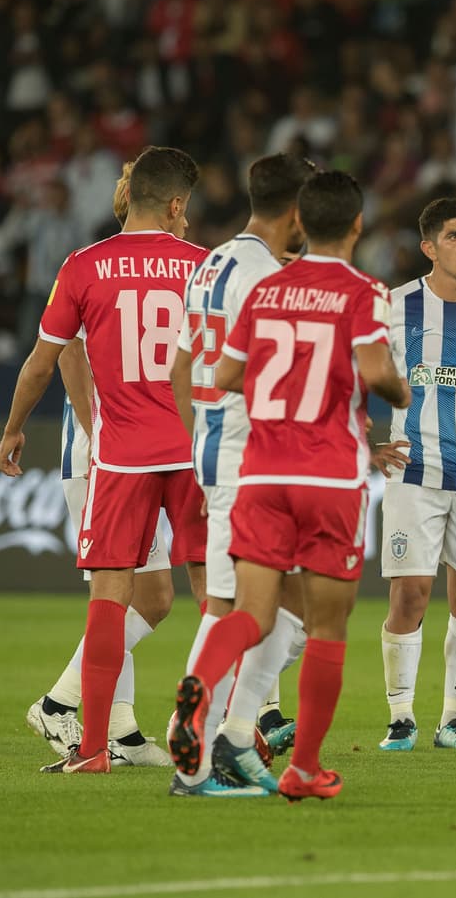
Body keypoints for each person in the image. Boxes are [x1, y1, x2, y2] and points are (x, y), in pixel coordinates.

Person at [169, 170, 410, 801]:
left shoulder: (266, 288)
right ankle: (302, 766)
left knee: (250, 610)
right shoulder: (366, 291)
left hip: (260, 470)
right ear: (357, 225)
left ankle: (215, 713)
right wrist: (398, 390)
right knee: (326, 626)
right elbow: (375, 371)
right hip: (329, 473)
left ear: (304, 220)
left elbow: (220, 373)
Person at [0, 145, 209, 774]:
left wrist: (13, 430)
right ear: (176, 206)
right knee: (213, 594)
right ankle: (213, 729)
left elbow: (44, 360)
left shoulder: (83, 266)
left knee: (109, 598)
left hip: (120, 455)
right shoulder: (204, 266)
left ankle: (91, 750)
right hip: (192, 451)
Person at [166, 153, 317, 797]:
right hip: (248, 459)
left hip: (214, 448)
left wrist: (196, 436)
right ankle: (194, 751)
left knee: (294, 609)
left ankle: (231, 736)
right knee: (235, 606)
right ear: (297, 211)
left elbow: (180, 365)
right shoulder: (264, 278)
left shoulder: (212, 262)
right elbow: (269, 379)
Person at [26, 159, 174, 768]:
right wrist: (104, 436)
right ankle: (61, 705)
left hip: (136, 447)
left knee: (147, 594)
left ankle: (119, 727)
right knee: (127, 592)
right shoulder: (96, 268)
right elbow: (65, 359)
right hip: (104, 450)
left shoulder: (118, 266)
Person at [372, 198, 456, 753]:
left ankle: (453, 719)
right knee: (410, 592)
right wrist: (366, 440)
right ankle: (401, 717)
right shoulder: (393, 305)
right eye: (455, 236)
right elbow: (346, 369)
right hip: (414, 472)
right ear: (429, 246)